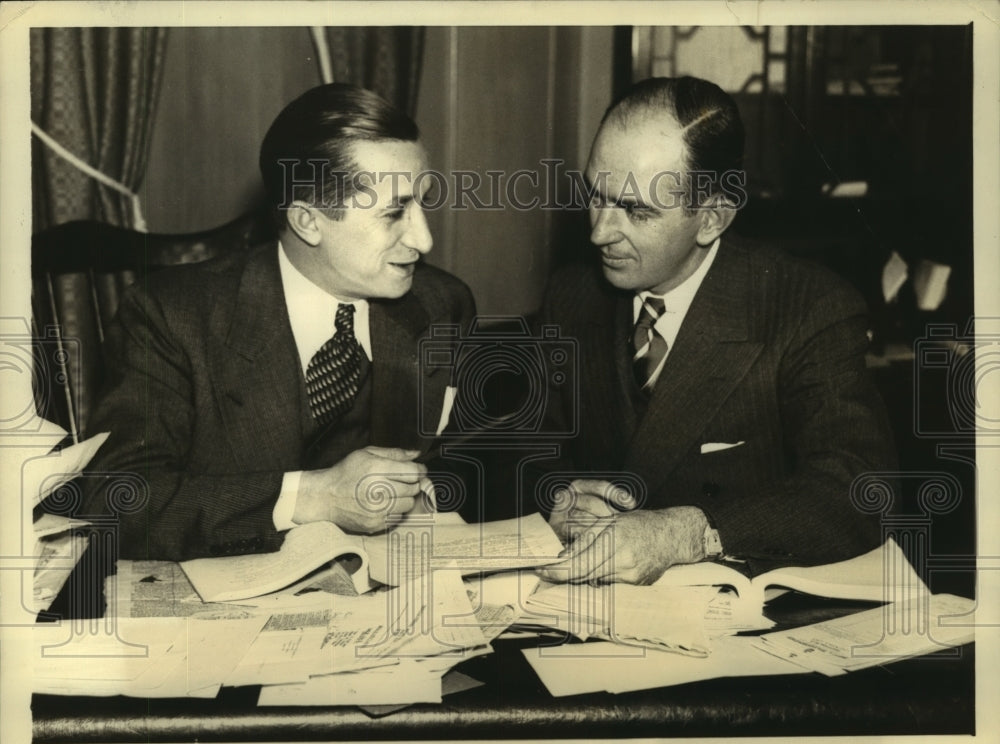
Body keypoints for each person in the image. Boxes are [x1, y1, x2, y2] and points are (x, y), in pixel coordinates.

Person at [83, 83, 475, 561]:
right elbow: (116, 500)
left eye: (423, 202)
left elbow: (470, 460)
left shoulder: (441, 305)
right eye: (395, 213)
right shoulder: (171, 317)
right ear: (308, 221)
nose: (425, 239)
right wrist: (314, 497)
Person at [537, 76, 895, 585]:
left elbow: (861, 488)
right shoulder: (572, 295)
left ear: (711, 218)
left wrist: (692, 532)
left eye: (636, 211)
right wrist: (558, 495)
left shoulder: (809, 308)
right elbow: (519, 449)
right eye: (596, 195)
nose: (599, 232)